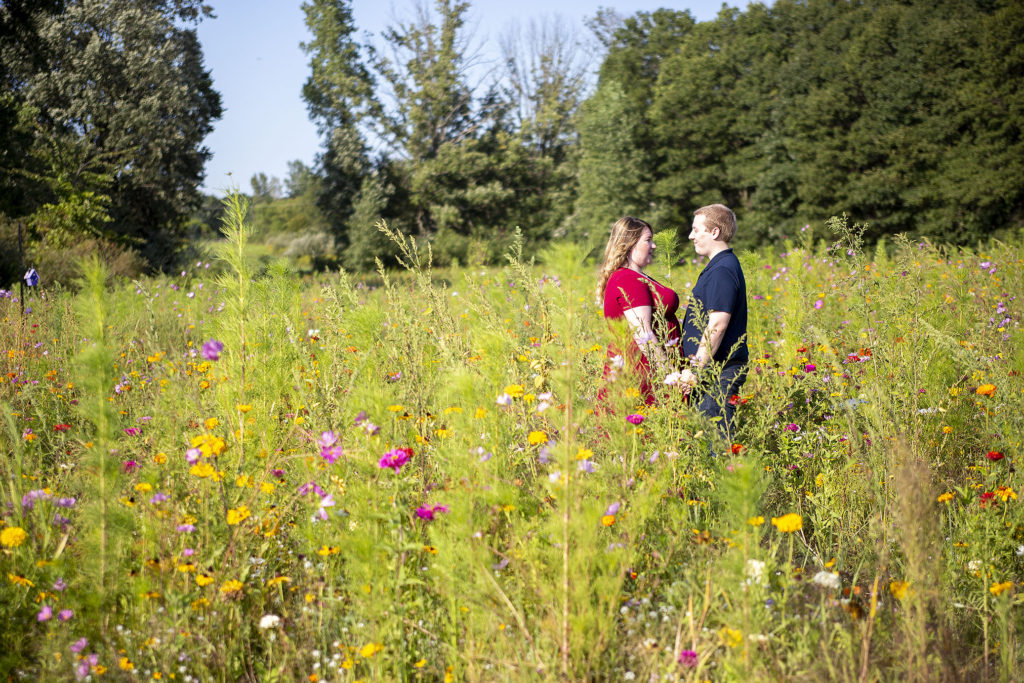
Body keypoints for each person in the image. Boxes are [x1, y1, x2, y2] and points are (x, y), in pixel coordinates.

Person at [679, 204, 748, 444]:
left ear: (715, 232)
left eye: (696, 230)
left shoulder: (723, 269)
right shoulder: (720, 266)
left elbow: (717, 324)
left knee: (718, 444)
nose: (691, 236)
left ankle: (728, 480)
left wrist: (696, 370)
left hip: (719, 371)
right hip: (713, 369)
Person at [600, 216, 682, 404]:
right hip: (644, 376)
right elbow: (643, 334)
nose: (653, 246)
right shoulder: (628, 279)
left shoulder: (636, 277)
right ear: (629, 244)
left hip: (649, 372)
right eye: (648, 240)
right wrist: (671, 377)